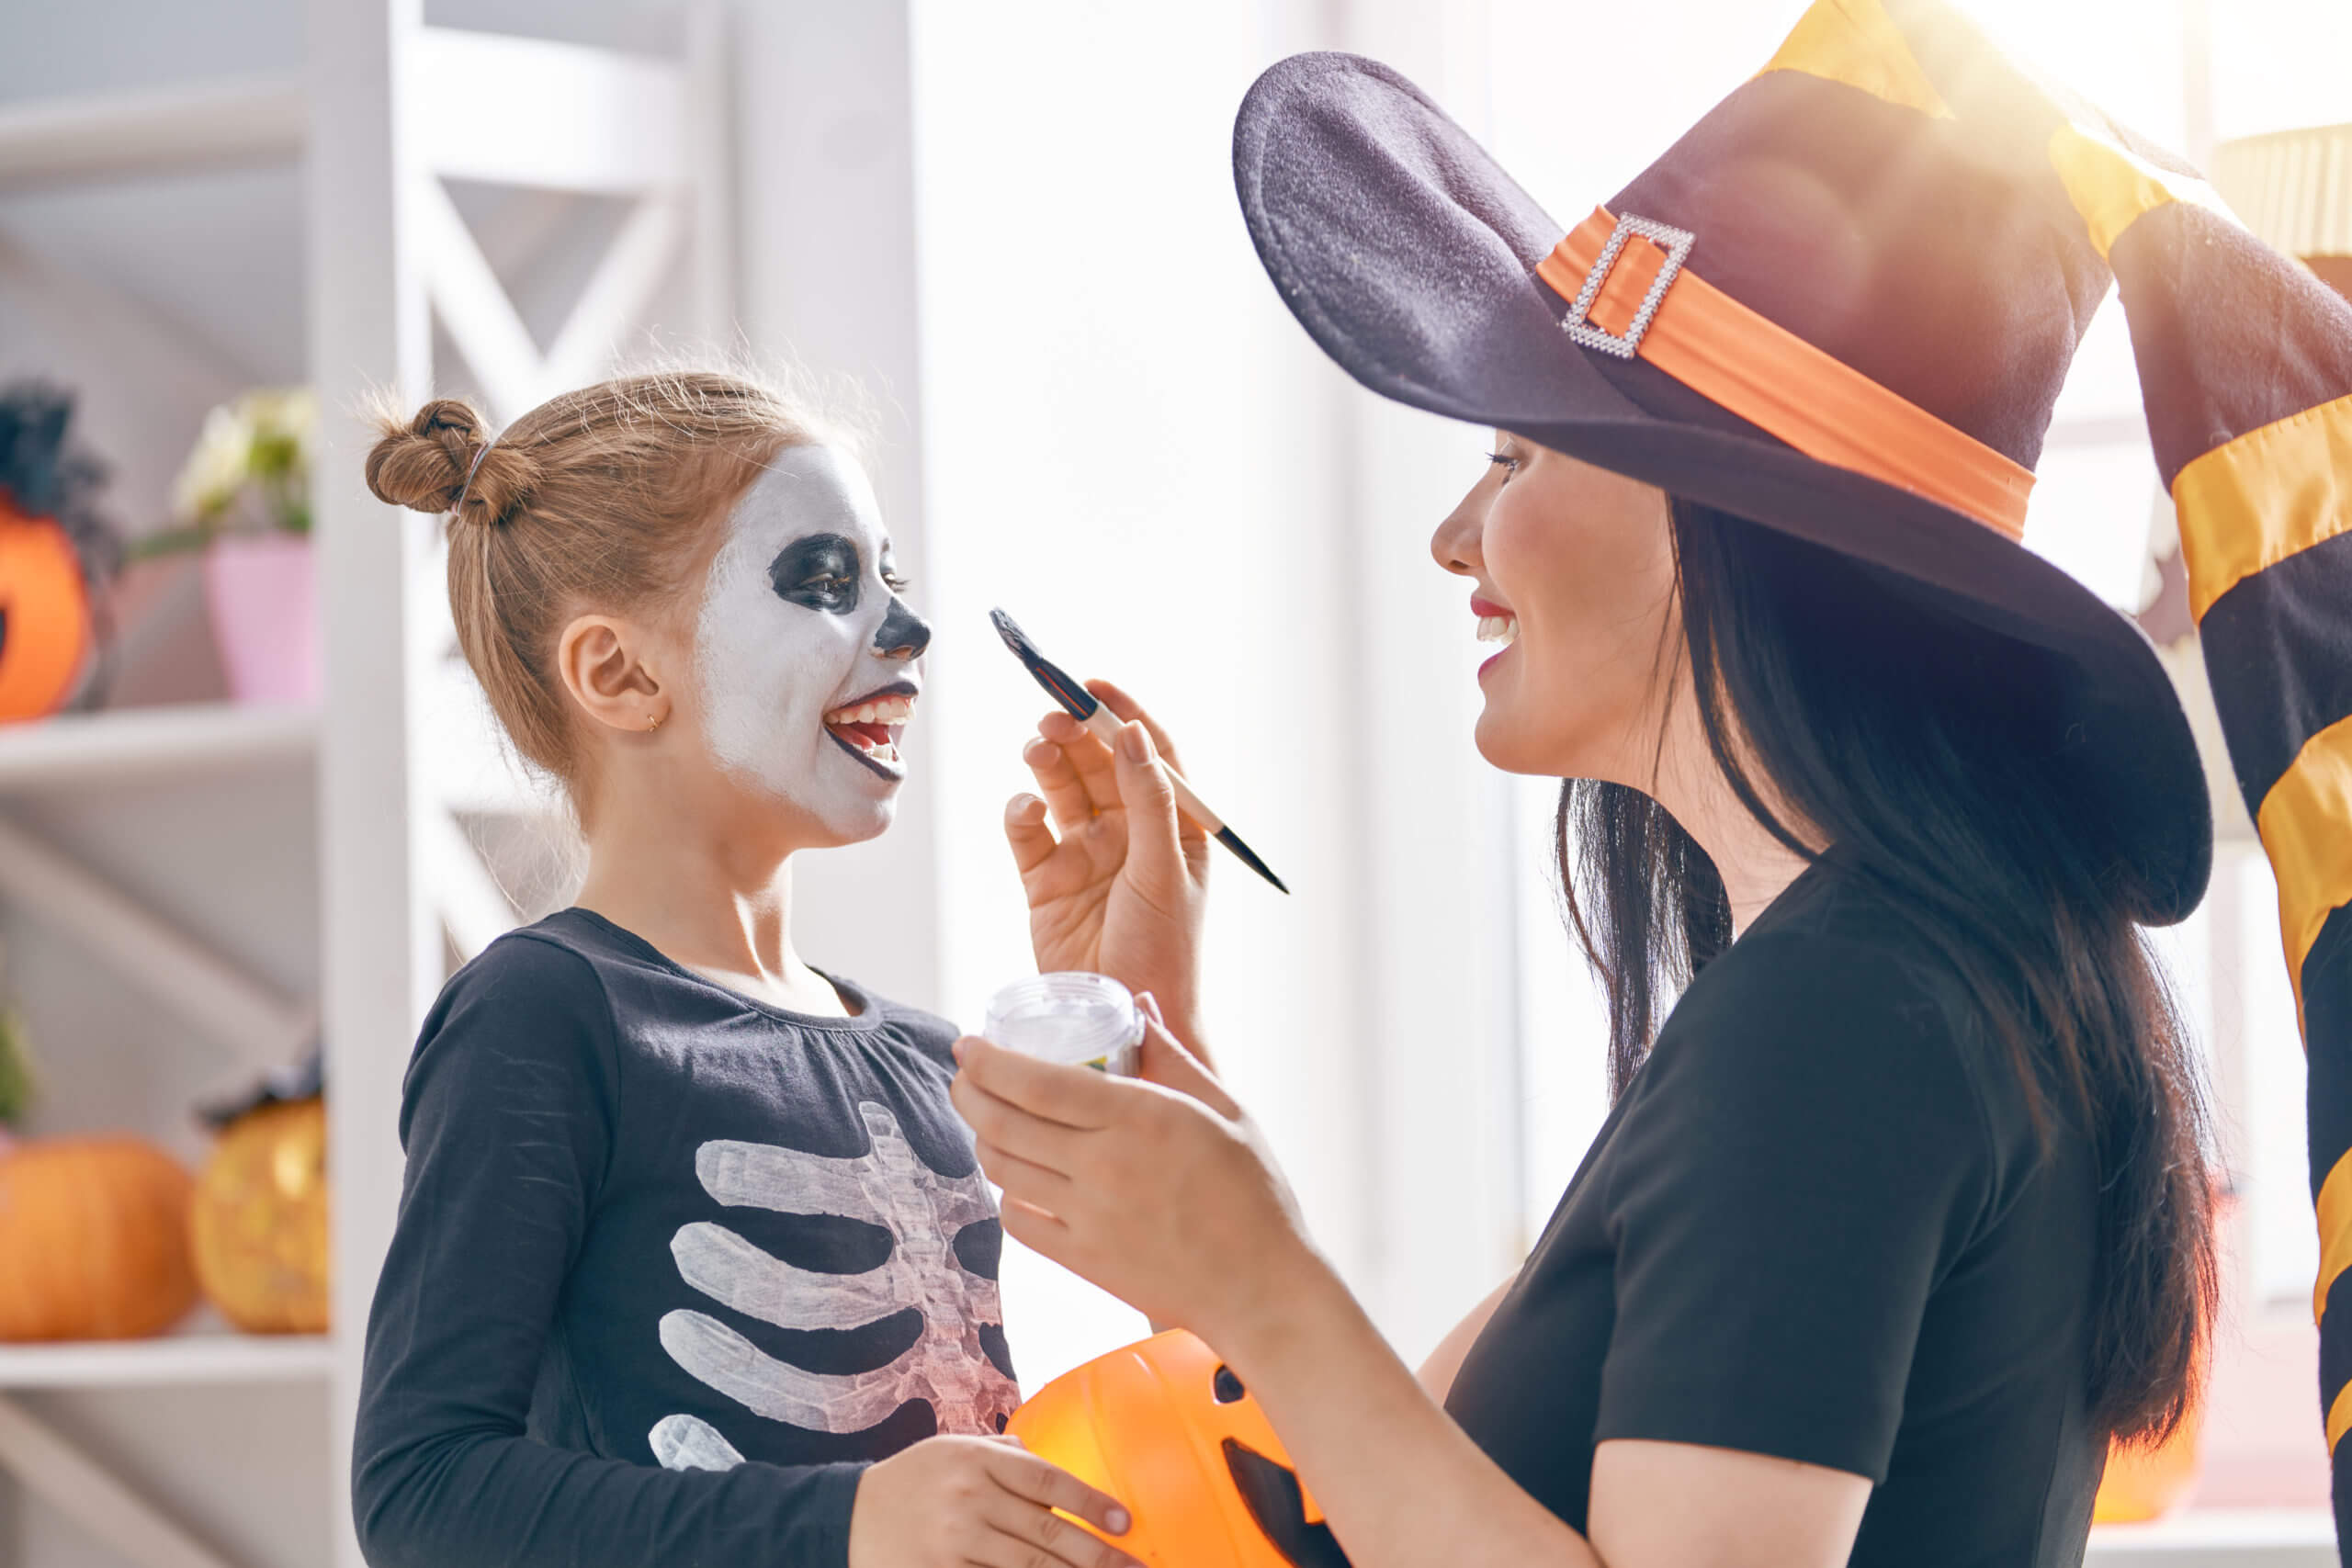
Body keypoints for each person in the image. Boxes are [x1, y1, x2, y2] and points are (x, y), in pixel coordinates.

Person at [950, 5, 2233, 1565]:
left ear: (1726, 513)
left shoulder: (1840, 1015)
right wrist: (1189, 1121)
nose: (1456, 537)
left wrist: (1266, 1285)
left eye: (1513, 456)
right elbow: (1413, 1498)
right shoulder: (1918, 972)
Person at [351, 373, 1141, 1568]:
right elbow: (421, 1491)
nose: (906, 631)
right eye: (824, 584)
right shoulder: (545, 1017)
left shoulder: (936, 1061)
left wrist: (1141, 993)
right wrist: (846, 1522)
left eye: (893, 581)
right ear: (618, 674)